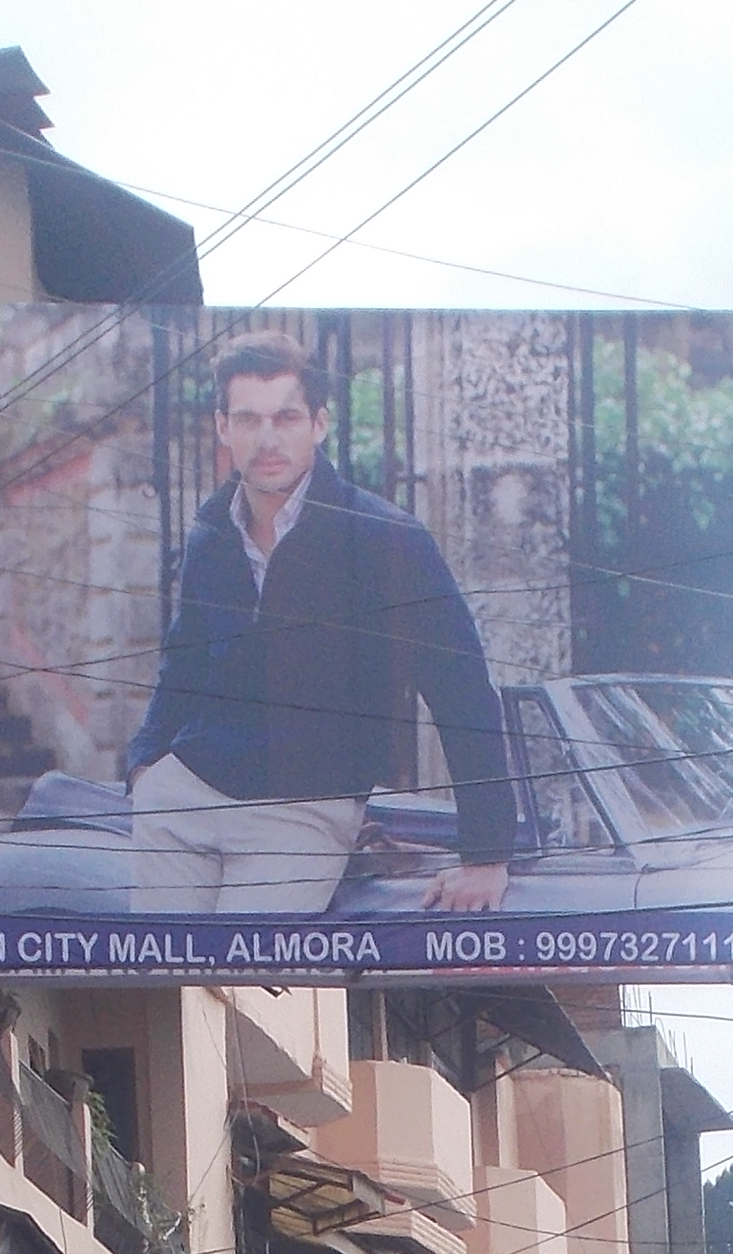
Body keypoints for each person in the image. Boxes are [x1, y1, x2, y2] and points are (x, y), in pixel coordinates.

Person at [124, 338, 517, 921]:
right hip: (184, 796)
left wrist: (486, 853)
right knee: (159, 979)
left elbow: (460, 691)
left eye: (285, 417)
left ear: (319, 423)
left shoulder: (386, 540)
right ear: (222, 428)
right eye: (248, 419)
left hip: (303, 810)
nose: (267, 438)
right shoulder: (212, 533)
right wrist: (145, 762)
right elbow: (184, 663)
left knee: (243, 974)